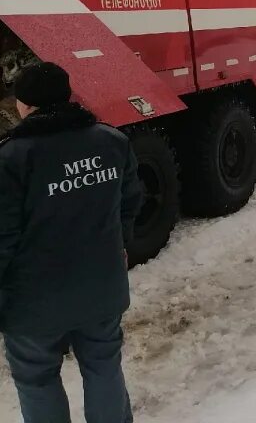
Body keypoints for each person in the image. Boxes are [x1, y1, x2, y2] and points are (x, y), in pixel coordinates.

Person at [0, 62, 142, 423]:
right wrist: (119, 247)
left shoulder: (11, 159)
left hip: (34, 301)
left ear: (25, 106)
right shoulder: (113, 141)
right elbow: (129, 203)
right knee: (104, 366)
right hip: (101, 287)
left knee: (36, 377)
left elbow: (3, 235)